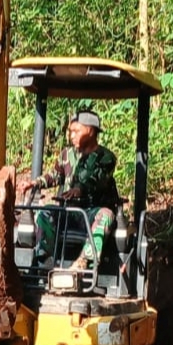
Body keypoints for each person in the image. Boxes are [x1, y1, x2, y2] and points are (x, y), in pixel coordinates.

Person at [21, 110, 119, 269]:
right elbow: (55, 175)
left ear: (90, 130)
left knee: (106, 215)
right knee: (44, 213)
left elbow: (98, 179)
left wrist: (81, 189)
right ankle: (43, 263)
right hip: (68, 212)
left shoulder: (106, 157)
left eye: (76, 131)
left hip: (92, 212)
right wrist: (34, 183)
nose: (71, 136)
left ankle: (85, 262)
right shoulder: (67, 154)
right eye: (70, 131)